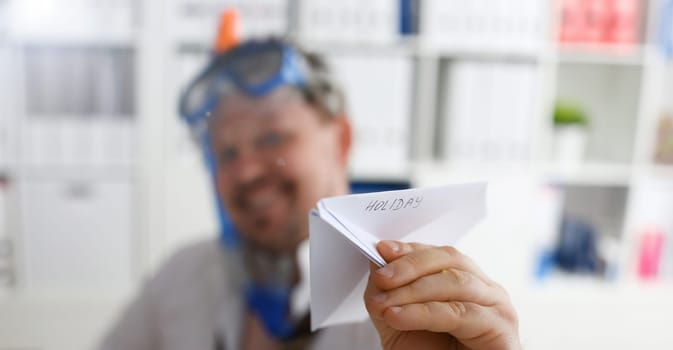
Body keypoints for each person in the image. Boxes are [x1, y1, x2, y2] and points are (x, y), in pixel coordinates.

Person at [99, 37, 520, 350]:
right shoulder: (183, 276)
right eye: (225, 151)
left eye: (271, 138)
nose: (244, 170)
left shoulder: (432, 296)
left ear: (341, 140)